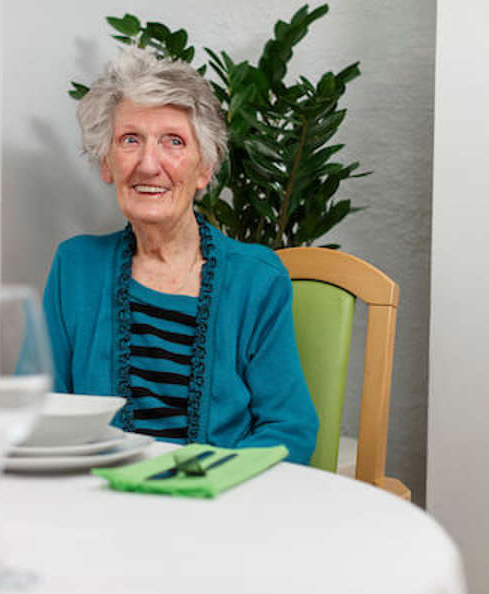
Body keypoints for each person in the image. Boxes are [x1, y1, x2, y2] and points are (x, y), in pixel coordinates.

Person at [43, 47, 318, 464]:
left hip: (214, 508)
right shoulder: (74, 267)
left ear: (205, 168)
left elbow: (289, 429)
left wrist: (196, 485)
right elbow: (36, 411)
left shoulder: (257, 279)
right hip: (96, 507)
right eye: (130, 140)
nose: (149, 164)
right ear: (107, 162)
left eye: (173, 142)